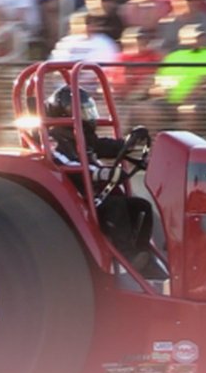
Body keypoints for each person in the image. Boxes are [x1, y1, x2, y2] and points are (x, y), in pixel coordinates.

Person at [45, 85, 155, 269]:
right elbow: (65, 164)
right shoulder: (56, 140)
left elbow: (105, 146)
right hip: (80, 198)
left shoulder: (83, 136)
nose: (89, 116)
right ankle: (128, 257)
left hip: (97, 191)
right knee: (116, 206)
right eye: (83, 111)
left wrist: (129, 144)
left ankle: (142, 252)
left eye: (89, 110)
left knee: (142, 207)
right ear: (66, 115)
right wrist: (102, 173)